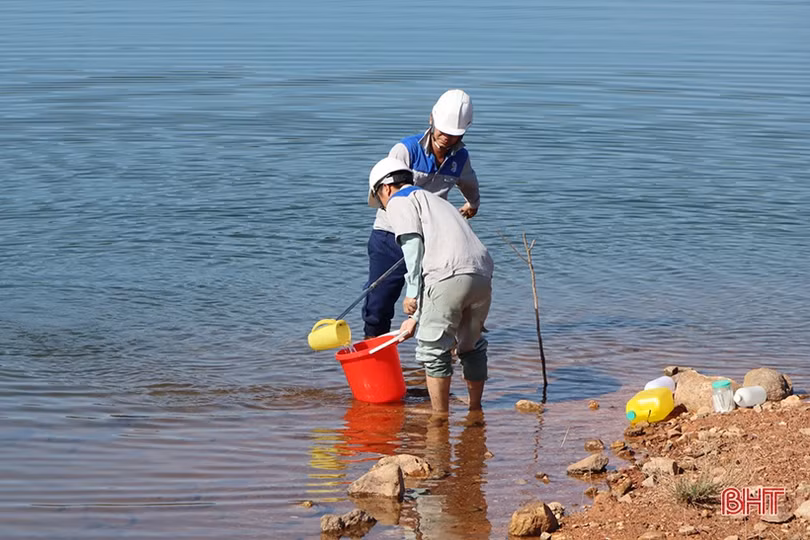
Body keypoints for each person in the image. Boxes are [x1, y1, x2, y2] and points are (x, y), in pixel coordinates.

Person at [367, 156, 493, 413]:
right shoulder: (437, 201)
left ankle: (439, 418)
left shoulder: (398, 200)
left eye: (380, 201)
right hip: (481, 274)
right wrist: (417, 319)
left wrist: (412, 295)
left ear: (385, 188)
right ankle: (475, 411)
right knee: (470, 345)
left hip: (448, 274)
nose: (383, 206)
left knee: (433, 351)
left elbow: (413, 247)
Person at [362, 89, 481, 339]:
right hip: (390, 235)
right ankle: (374, 345)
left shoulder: (460, 157)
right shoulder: (406, 150)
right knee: (379, 302)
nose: (446, 137)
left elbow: (468, 181)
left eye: (454, 133)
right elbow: (385, 192)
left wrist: (472, 203)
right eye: (442, 131)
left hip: (431, 239)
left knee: (434, 301)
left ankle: (436, 352)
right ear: (431, 119)